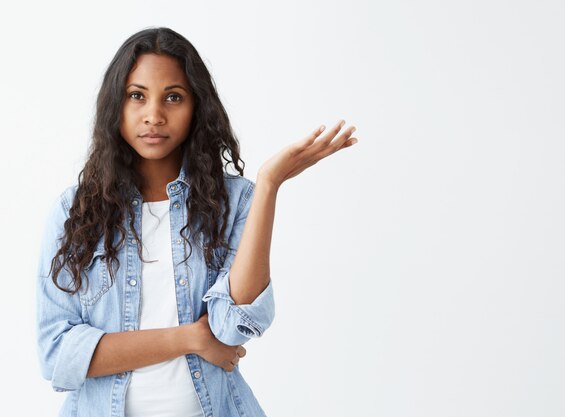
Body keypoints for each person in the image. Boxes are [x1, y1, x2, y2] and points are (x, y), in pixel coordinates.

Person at [35, 27, 358, 417]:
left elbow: (231, 327)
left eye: (173, 97)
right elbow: (58, 356)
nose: (154, 115)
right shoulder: (76, 211)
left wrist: (269, 184)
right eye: (137, 96)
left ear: (196, 108)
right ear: (115, 107)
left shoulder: (233, 201)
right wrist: (187, 338)